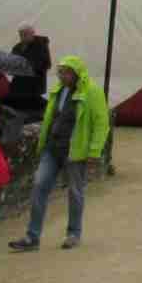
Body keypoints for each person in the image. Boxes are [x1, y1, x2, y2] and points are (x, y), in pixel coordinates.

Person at [9, 55, 109, 253]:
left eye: (64, 72)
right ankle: (32, 236)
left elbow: (101, 123)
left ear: (75, 73)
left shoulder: (93, 92)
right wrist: (44, 144)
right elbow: (50, 118)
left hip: (75, 151)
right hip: (53, 148)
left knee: (75, 191)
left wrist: (94, 152)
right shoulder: (58, 91)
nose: (60, 76)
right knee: (39, 185)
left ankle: (73, 233)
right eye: (60, 72)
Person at [8, 23, 52, 116]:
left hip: (34, 85)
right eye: (20, 34)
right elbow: (11, 62)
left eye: (25, 34)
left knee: (33, 112)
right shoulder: (17, 47)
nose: (22, 37)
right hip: (18, 85)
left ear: (32, 33)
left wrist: (25, 66)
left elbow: (46, 64)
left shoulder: (41, 45)